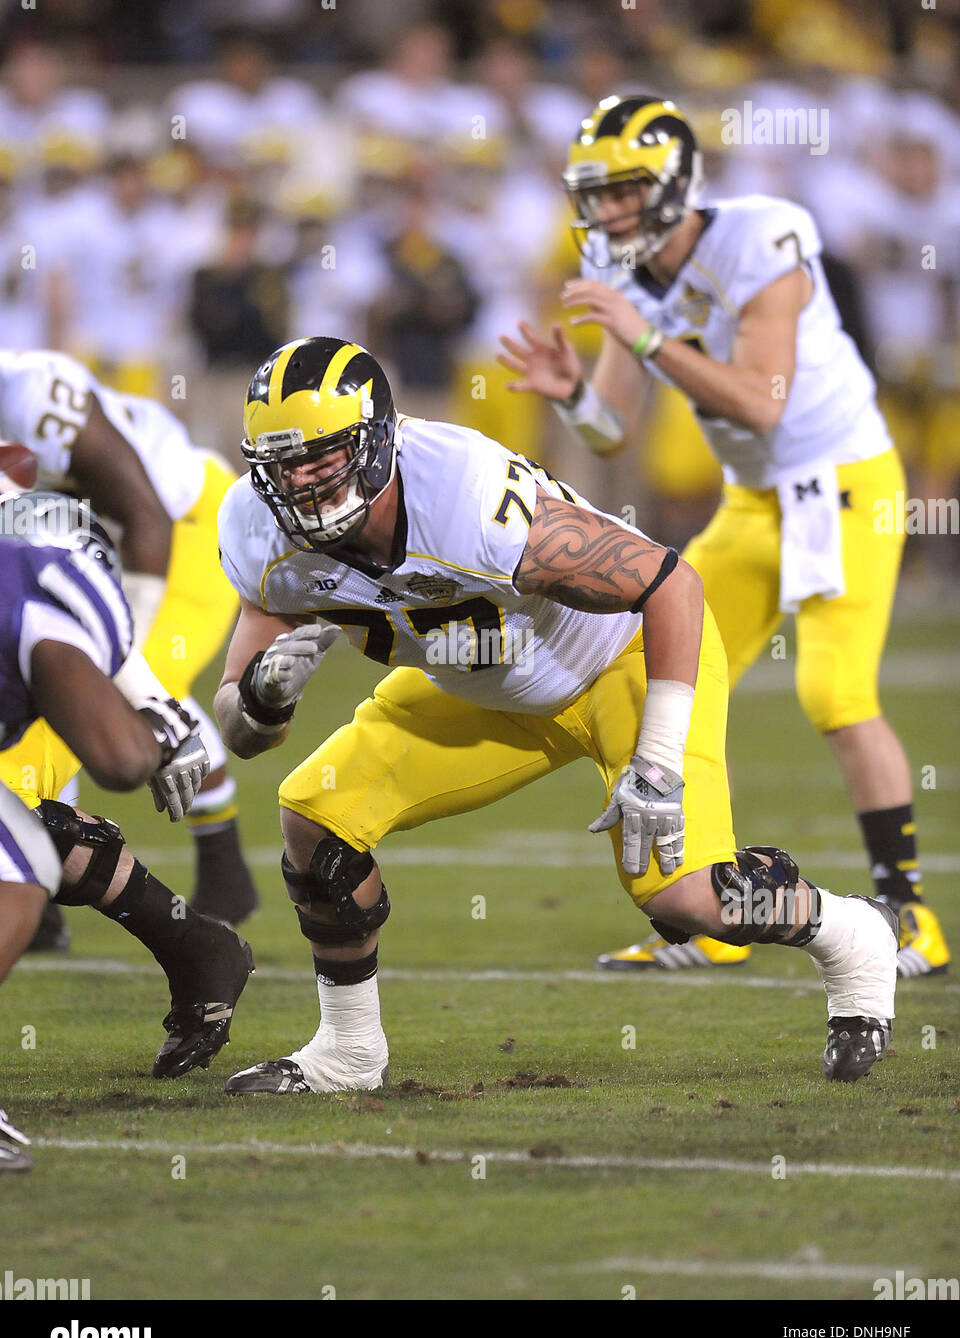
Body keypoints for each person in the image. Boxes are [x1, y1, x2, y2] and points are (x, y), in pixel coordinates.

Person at [212, 335, 897, 1098]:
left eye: (322, 459)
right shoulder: (259, 534)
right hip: (485, 693)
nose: (300, 487)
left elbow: (672, 584)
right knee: (315, 813)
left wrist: (659, 759)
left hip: (622, 660)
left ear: (375, 444)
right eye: (281, 468)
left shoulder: (466, 500)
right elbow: (240, 734)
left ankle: (850, 934)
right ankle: (348, 1052)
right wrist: (260, 701)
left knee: (683, 896)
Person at [497, 95, 949, 979]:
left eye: (625, 191)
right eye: (596, 193)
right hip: (752, 501)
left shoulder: (762, 236)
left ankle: (910, 915)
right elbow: (612, 430)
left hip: (844, 482)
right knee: (658, 675)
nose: (607, 212)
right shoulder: (620, 266)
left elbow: (759, 402)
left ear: (673, 185)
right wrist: (572, 395)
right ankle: (713, 909)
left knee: (834, 692)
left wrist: (649, 334)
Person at [0, 494, 254, 1170]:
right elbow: (120, 760)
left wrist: (157, 710)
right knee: (25, 840)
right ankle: (198, 947)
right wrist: (157, 730)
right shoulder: (51, 579)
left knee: (24, 843)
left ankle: (198, 948)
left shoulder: (49, 577)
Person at [0, 349, 258, 948]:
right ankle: (41, 897)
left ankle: (212, 891)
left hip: (180, 528)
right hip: (67, 549)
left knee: (113, 689)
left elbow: (146, 518)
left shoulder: (31, 395)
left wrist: (120, 653)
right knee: (31, 689)